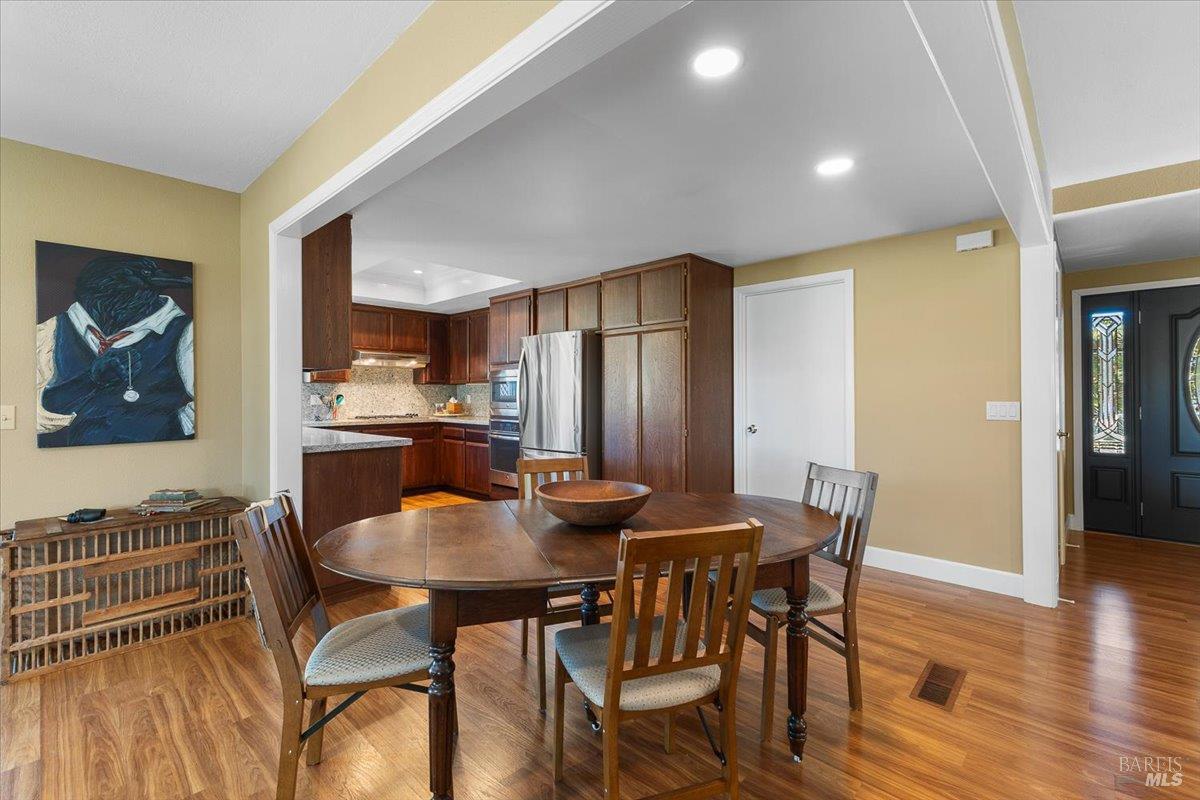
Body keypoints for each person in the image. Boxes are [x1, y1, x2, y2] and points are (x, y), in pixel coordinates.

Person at [36, 254, 194, 447]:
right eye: (144, 275)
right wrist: (90, 380)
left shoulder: (183, 331)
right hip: (71, 462)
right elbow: (37, 419)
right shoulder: (51, 332)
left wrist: (169, 429)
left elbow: (212, 405)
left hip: (159, 455)